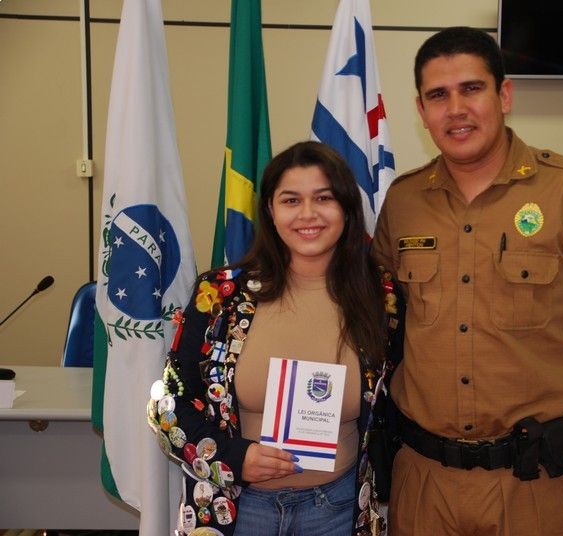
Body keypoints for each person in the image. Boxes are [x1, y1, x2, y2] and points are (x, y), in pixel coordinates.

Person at [371, 27, 563, 535]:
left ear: (504, 95)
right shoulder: (403, 201)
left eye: (471, 89)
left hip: (534, 489)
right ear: (421, 111)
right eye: (438, 95)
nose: (456, 109)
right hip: (424, 483)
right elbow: (374, 320)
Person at [148, 141, 402, 536]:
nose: (308, 214)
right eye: (291, 200)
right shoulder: (219, 296)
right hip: (237, 508)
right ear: (269, 209)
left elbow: (402, 402)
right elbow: (168, 405)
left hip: (338, 510)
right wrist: (233, 458)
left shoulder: (381, 297)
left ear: (347, 209)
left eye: (324, 198)